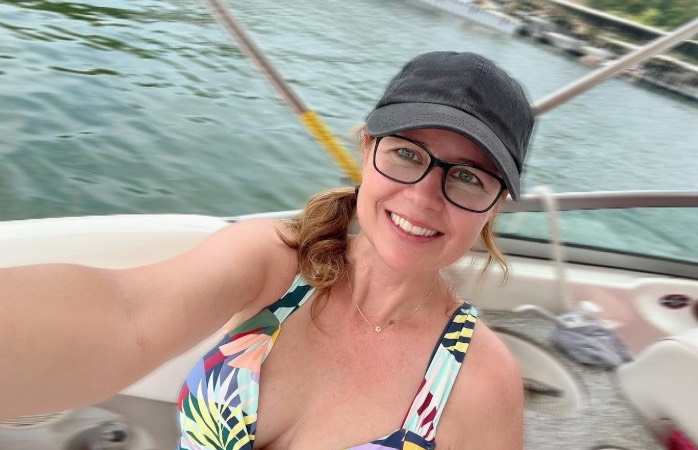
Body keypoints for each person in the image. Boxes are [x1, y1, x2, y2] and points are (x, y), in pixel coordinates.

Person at [0, 50, 534, 449]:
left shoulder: (480, 382)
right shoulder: (275, 263)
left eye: (468, 177)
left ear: (494, 207)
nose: (422, 198)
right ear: (367, 148)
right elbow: (127, 314)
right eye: (407, 154)